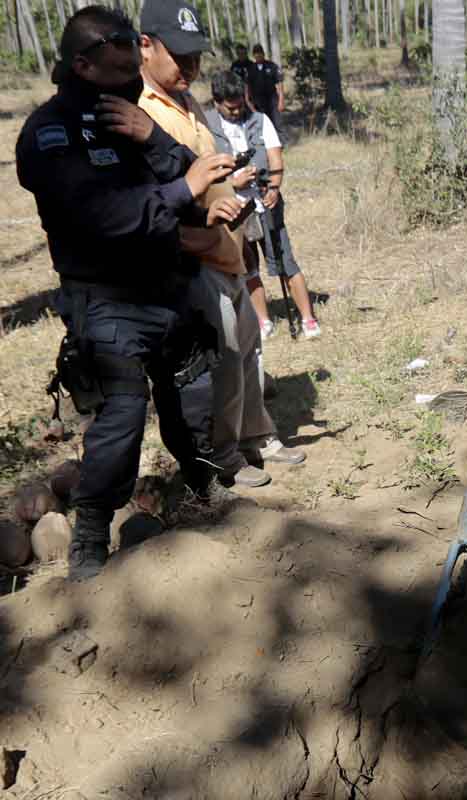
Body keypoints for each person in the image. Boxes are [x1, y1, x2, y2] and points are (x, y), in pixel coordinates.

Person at [16, 5, 241, 579]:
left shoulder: (130, 116)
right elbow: (101, 217)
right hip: (108, 302)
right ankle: (91, 540)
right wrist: (180, 192)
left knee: (190, 397)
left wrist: (160, 143)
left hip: (169, 289)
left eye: (135, 76)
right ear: (83, 65)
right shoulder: (49, 133)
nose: (134, 85)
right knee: (121, 418)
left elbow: (195, 172)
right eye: (122, 74)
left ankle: (206, 487)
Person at [137, 0, 305, 488]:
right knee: (225, 355)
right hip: (193, 257)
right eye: (180, 57)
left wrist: (235, 180)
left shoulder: (188, 104)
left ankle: (256, 436)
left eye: (196, 58)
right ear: (146, 46)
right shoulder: (142, 112)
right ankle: (224, 454)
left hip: (228, 249)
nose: (191, 68)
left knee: (248, 348)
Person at [205, 70, 321, 340]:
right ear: (216, 102)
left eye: (239, 105)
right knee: (247, 268)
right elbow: (203, 171)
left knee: (285, 262)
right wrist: (233, 182)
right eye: (230, 107)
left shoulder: (260, 120)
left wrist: (275, 188)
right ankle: (263, 321)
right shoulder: (205, 126)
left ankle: (308, 318)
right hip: (234, 209)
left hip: (265, 205)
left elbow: (276, 158)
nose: (236, 112)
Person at [246, 43, 283, 133]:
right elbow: (247, 87)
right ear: (253, 55)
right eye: (256, 53)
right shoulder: (251, 69)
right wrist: (248, 101)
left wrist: (281, 100)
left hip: (272, 99)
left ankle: (280, 142)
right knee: (262, 124)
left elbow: (279, 84)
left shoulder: (272, 66)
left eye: (260, 53)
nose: (258, 55)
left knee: (276, 123)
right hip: (258, 101)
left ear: (263, 54)